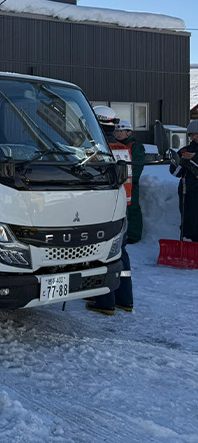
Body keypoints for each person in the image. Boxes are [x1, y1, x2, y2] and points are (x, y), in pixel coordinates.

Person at [87, 110, 137, 315]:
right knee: (121, 253)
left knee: (100, 253)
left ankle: (104, 300)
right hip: (121, 206)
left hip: (102, 208)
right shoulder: (123, 149)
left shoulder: (97, 147)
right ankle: (124, 299)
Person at [170, 119, 198, 241]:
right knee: (188, 218)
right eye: (192, 134)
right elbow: (174, 172)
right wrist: (181, 162)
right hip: (187, 190)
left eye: (197, 133)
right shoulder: (185, 150)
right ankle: (191, 245)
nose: (194, 137)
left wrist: (195, 159)